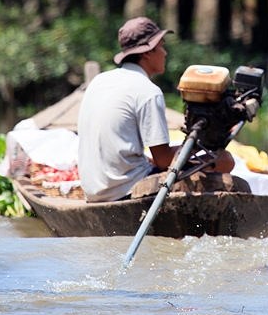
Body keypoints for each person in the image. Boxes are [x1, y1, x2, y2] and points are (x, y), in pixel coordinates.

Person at [78, 16, 234, 202]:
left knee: (150, 159)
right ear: (147, 53)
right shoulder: (148, 91)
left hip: (94, 190)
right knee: (225, 159)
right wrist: (205, 144)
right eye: (161, 46)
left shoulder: (99, 80)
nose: (165, 53)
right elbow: (164, 160)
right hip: (125, 190)